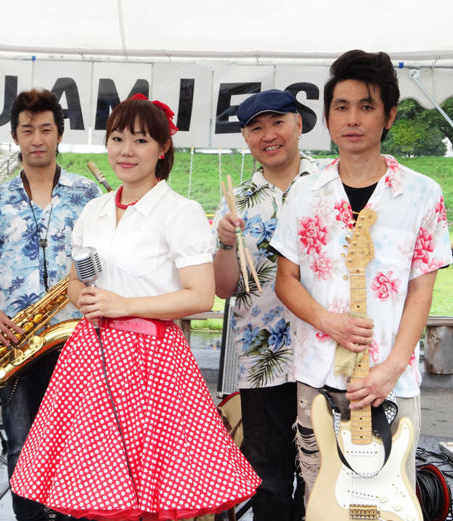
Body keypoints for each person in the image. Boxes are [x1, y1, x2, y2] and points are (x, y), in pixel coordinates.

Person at [10, 94, 260, 521]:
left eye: (140, 140)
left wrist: (124, 305)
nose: (126, 151)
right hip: (91, 358)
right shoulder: (94, 210)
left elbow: (200, 296)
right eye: (117, 139)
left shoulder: (179, 212)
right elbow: (75, 282)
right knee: (95, 486)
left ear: (163, 148)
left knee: (152, 493)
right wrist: (84, 297)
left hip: (153, 361)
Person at [270, 49, 452, 500]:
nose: (352, 119)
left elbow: (421, 291)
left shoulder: (422, 194)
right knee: (322, 498)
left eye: (366, 106)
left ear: (389, 116)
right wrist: (328, 321)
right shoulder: (304, 193)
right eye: (341, 107)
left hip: (391, 379)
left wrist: (391, 368)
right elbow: (285, 279)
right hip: (317, 375)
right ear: (328, 118)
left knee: (391, 499)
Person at [0, 88, 101, 521]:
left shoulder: (88, 195)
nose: (37, 139)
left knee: (78, 447)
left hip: (75, 338)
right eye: (28, 130)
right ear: (15, 136)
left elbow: (103, 261)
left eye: (46, 129)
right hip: (16, 339)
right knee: (22, 446)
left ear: (60, 134)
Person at [212, 89, 321, 521]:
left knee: (323, 476)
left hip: (324, 355)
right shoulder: (236, 201)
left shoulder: (330, 184)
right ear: (245, 138)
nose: (268, 135)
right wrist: (225, 243)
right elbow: (224, 288)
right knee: (269, 480)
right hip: (262, 359)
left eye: (278, 122)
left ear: (298, 123)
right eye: (256, 128)